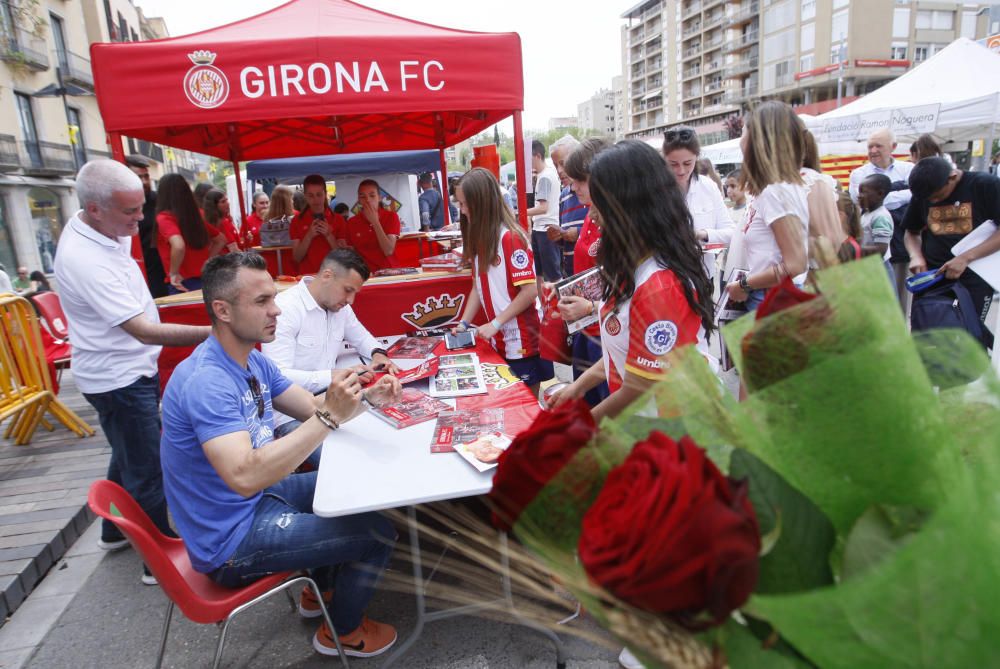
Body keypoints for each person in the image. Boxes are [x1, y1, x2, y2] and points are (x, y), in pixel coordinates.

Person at [160, 251, 401, 658]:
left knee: (341, 488)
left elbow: (312, 408)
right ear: (222, 310)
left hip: (249, 504)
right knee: (379, 532)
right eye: (261, 302)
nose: (276, 310)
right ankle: (341, 631)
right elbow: (246, 475)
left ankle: (320, 592)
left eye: (273, 297)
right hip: (229, 540)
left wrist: (370, 398)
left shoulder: (250, 359)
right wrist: (329, 417)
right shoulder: (207, 381)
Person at [54, 159, 211, 583]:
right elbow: (142, 330)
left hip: (125, 369)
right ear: (95, 208)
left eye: (142, 207)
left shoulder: (102, 227)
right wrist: (216, 331)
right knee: (147, 468)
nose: (140, 219)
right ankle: (158, 562)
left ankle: (111, 533)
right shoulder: (86, 258)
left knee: (128, 452)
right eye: (131, 212)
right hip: (118, 376)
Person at [550, 140, 715, 427]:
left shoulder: (659, 287)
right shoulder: (633, 266)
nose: (591, 215)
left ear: (627, 206)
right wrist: (577, 388)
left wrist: (581, 427)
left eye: (598, 203)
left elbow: (639, 387)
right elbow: (625, 352)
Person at [261, 248, 400, 449]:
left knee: (382, 440)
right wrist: (335, 375)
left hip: (334, 401)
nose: (350, 300)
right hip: (291, 417)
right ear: (327, 276)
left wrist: (378, 354)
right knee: (354, 456)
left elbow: (362, 337)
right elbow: (276, 377)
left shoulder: (339, 307)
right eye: (348, 290)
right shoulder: (285, 309)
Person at [453, 168, 554, 396]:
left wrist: (496, 323)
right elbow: (477, 287)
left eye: (465, 204)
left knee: (524, 402)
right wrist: (463, 324)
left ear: (482, 203)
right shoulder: (480, 237)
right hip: (499, 336)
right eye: (459, 204)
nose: (462, 210)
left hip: (523, 339)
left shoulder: (510, 237)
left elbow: (529, 292)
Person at [724, 101, 809, 312]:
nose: (740, 140)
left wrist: (745, 285)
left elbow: (796, 263)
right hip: (768, 294)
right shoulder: (777, 188)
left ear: (756, 139)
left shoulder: (776, 191)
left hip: (770, 297)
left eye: (743, 132)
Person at [904, 156, 1000, 330]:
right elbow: (911, 231)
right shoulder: (923, 192)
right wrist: (916, 256)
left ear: (953, 177)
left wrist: (965, 258)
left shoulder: (985, 185)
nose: (932, 201)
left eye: (936, 196)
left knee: (966, 337)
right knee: (927, 335)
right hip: (932, 277)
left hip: (974, 278)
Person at [556, 137, 612, 407]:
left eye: (580, 179)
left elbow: (638, 302)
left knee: (606, 415)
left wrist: (590, 307)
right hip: (586, 329)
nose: (573, 186)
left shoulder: (620, 225)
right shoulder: (592, 213)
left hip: (607, 333)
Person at [849, 129, 914, 304]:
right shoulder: (859, 174)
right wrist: (901, 195)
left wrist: (887, 197)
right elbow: (856, 198)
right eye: (870, 146)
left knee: (897, 298)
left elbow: (917, 195)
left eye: (879, 146)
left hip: (900, 243)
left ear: (893, 147)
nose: (873, 150)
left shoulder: (908, 169)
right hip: (869, 258)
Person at [662, 125, 734, 281]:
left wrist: (703, 234)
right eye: (673, 164)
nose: (681, 170)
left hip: (704, 277)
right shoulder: (655, 191)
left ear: (697, 157)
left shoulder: (708, 187)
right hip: (668, 280)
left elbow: (730, 232)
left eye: (688, 163)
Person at [156, 174, 226, 293]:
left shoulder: (165, 218)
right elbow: (220, 240)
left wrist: (173, 273)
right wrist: (207, 261)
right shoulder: (196, 215)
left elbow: (178, 245)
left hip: (181, 282)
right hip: (204, 278)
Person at [124, 155, 167, 298]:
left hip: (162, 274)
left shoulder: (159, 201)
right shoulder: (118, 208)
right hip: (136, 275)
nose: (144, 182)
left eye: (146, 177)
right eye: (138, 178)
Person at [338, 179, 401, 273]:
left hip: (388, 272)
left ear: (379, 198)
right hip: (364, 274)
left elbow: (388, 250)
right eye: (363, 196)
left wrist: (375, 222)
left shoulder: (391, 216)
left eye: (372, 196)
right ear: (359, 200)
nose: (367, 200)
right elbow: (352, 253)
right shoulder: (351, 222)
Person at [290, 175, 346, 275]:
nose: (315, 200)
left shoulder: (338, 219)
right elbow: (296, 258)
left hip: (334, 277)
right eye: (311, 195)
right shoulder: (296, 221)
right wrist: (309, 235)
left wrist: (329, 235)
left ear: (325, 194)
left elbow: (344, 258)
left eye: (319, 194)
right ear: (305, 196)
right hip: (308, 278)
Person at [549, 135, 588, 278]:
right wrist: (559, 236)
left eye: (562, 163)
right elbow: (564, 235)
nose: (559, 170)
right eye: (555, 166)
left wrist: (578, 233)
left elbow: (602, 231)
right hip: (571, 274)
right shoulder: (563, 196)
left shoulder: (592, 193)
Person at [525, 140, 563, 283]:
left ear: (537, 156)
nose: (527, 163)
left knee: (552, 275)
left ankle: (556, 304)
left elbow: (543, 207)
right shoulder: (544, 176)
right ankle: (545, 305)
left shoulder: (545, 177)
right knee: (540, 273)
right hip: (541, 229)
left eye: (528, 158)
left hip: (545, 230)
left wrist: (521, 212)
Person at [858, 174, 893, 258]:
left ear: (880, 194)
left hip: (879, 266)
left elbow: (880, 250)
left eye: (864, 192)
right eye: (859, 192)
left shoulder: (880, 217)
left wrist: (853, 250)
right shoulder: (866, 213)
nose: (859, 196)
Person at [203, 189, 240, 253]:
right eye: (223, 201)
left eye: (227, 200)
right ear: (214, 205)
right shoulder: (222, 223)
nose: (227, 203)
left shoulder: (226, 219)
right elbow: (234, 250)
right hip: (227, 260)